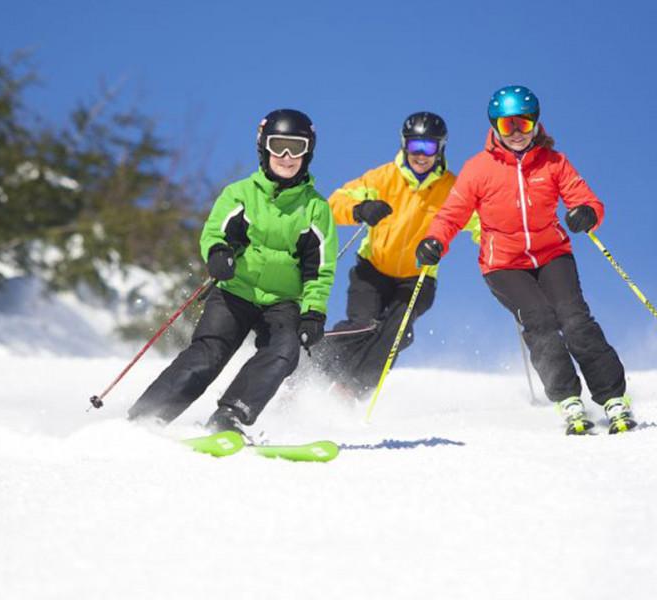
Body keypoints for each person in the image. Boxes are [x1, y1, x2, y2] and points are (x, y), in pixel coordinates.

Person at [417, 85, 636, 434]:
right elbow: (451, 215)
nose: (517, 133)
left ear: (536, 123)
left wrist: (586, 214)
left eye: (523, 124)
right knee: (540, 320)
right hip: (503, 264)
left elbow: (586, 199)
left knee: (575, 319)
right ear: (495, 128)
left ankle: (613, 398)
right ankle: (568, 399)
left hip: (552, 254)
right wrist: (433, 242)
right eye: (508, 126)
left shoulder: (554, 163)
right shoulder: (479, 169)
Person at [127, 109, 338, 434]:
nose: (286, 156)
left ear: (308, 152)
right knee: (209, 352)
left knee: (284, 351)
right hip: (236, 291)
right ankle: (146, 417)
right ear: (263, 147)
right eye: (278, 145)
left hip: (283, 302)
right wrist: (218, 255)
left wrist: (313, 313)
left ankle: (231, 415)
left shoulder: (316, 209)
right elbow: (215, 233)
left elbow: (320, 270)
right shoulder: (240, 193)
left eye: (295, 148)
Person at [313, 112, 478, 399]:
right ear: (404, 145)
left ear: (441, 148)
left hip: (417, 278)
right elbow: (336, 201)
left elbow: (481, 222)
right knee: (364, 327)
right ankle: (310, 358)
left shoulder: (454, 189)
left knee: (396, 333)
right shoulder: (383, 177)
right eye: (415, 146)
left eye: (429, 147)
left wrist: (500, 241)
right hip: (372, 271)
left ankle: (349, 391)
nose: (421, 155)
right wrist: (361, 209)